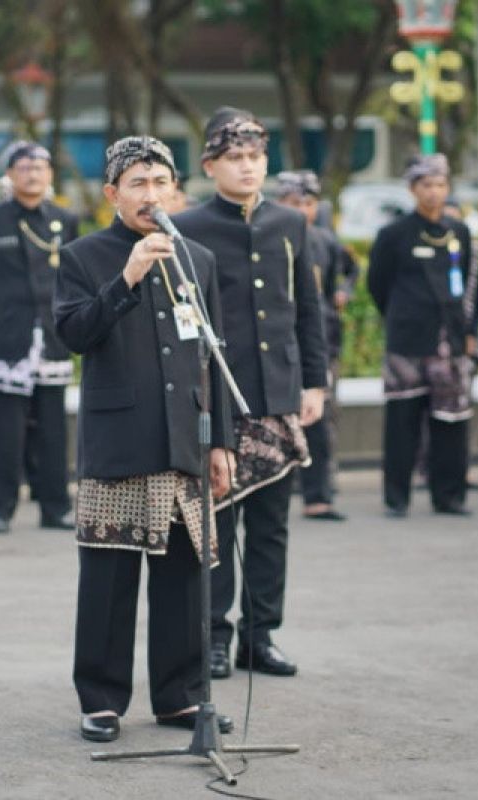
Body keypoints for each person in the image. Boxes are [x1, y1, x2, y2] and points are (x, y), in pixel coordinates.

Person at [54, 135, 236, 743]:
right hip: (119, 439)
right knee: (108, 576)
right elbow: (74, 335)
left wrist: (222, 442)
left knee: (185, 578)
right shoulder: (83, 257)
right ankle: (101, 700)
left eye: (161, 183)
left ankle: (179, 697)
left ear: (176, 191)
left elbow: (212, 356)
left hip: (186, 437)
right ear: (112, 194)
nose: (151, 195)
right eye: (138, 184)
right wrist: (125, 279)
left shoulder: (198, 259)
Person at [174, 109, 326, 680]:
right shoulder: (188, 227)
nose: (246, 167)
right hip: (220, 397)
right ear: (210, 165)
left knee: (272, 525)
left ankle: (261, 636)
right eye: (233, 158)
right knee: (217, 521)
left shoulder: (290, 223)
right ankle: (214, 636)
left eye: (255, 157)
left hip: (280, 391)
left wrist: (314, 381)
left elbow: (305, 309)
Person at [0, 141, 79, 533]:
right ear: (9, 175)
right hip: (6, 337)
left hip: (52, 336)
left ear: (50, 176)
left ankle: (55, 507)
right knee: (3, 431)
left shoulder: (65, 219)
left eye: (41, 167)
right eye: (24, 167)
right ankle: (0, 507)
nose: (33, 174)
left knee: (54, 430)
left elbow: (74, 277)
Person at [367, 154, 478, 518]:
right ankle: (397, 497)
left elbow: (474, 288)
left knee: (451, 422)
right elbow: (377, 284)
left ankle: (449, 496)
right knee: (402, 421)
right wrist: (402, 316)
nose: (434, 192)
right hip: (408, 343)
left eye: (440, 185)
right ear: (413, 189)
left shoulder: (459, 233)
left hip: (451, 342)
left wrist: (470, 331)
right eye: (426, 185)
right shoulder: (394, 234)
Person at [275, 169, 358, 522]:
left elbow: (350, 270)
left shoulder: (325, 240)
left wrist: (344, 294)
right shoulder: (267, 238)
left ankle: (318, 495)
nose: (302, 209)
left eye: (308, 203)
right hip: (277, 342)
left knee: (320, 420)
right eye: (295, 202)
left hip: (318, 339)